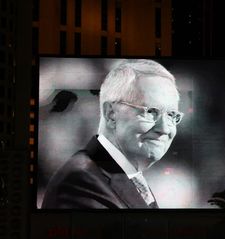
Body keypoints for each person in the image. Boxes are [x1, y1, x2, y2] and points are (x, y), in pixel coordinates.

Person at [41, 59, 183, 209]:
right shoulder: (81, 180)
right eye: (150, 112)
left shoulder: (134, 177)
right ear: (111, 113)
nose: (165, 129)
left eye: (172, 115)